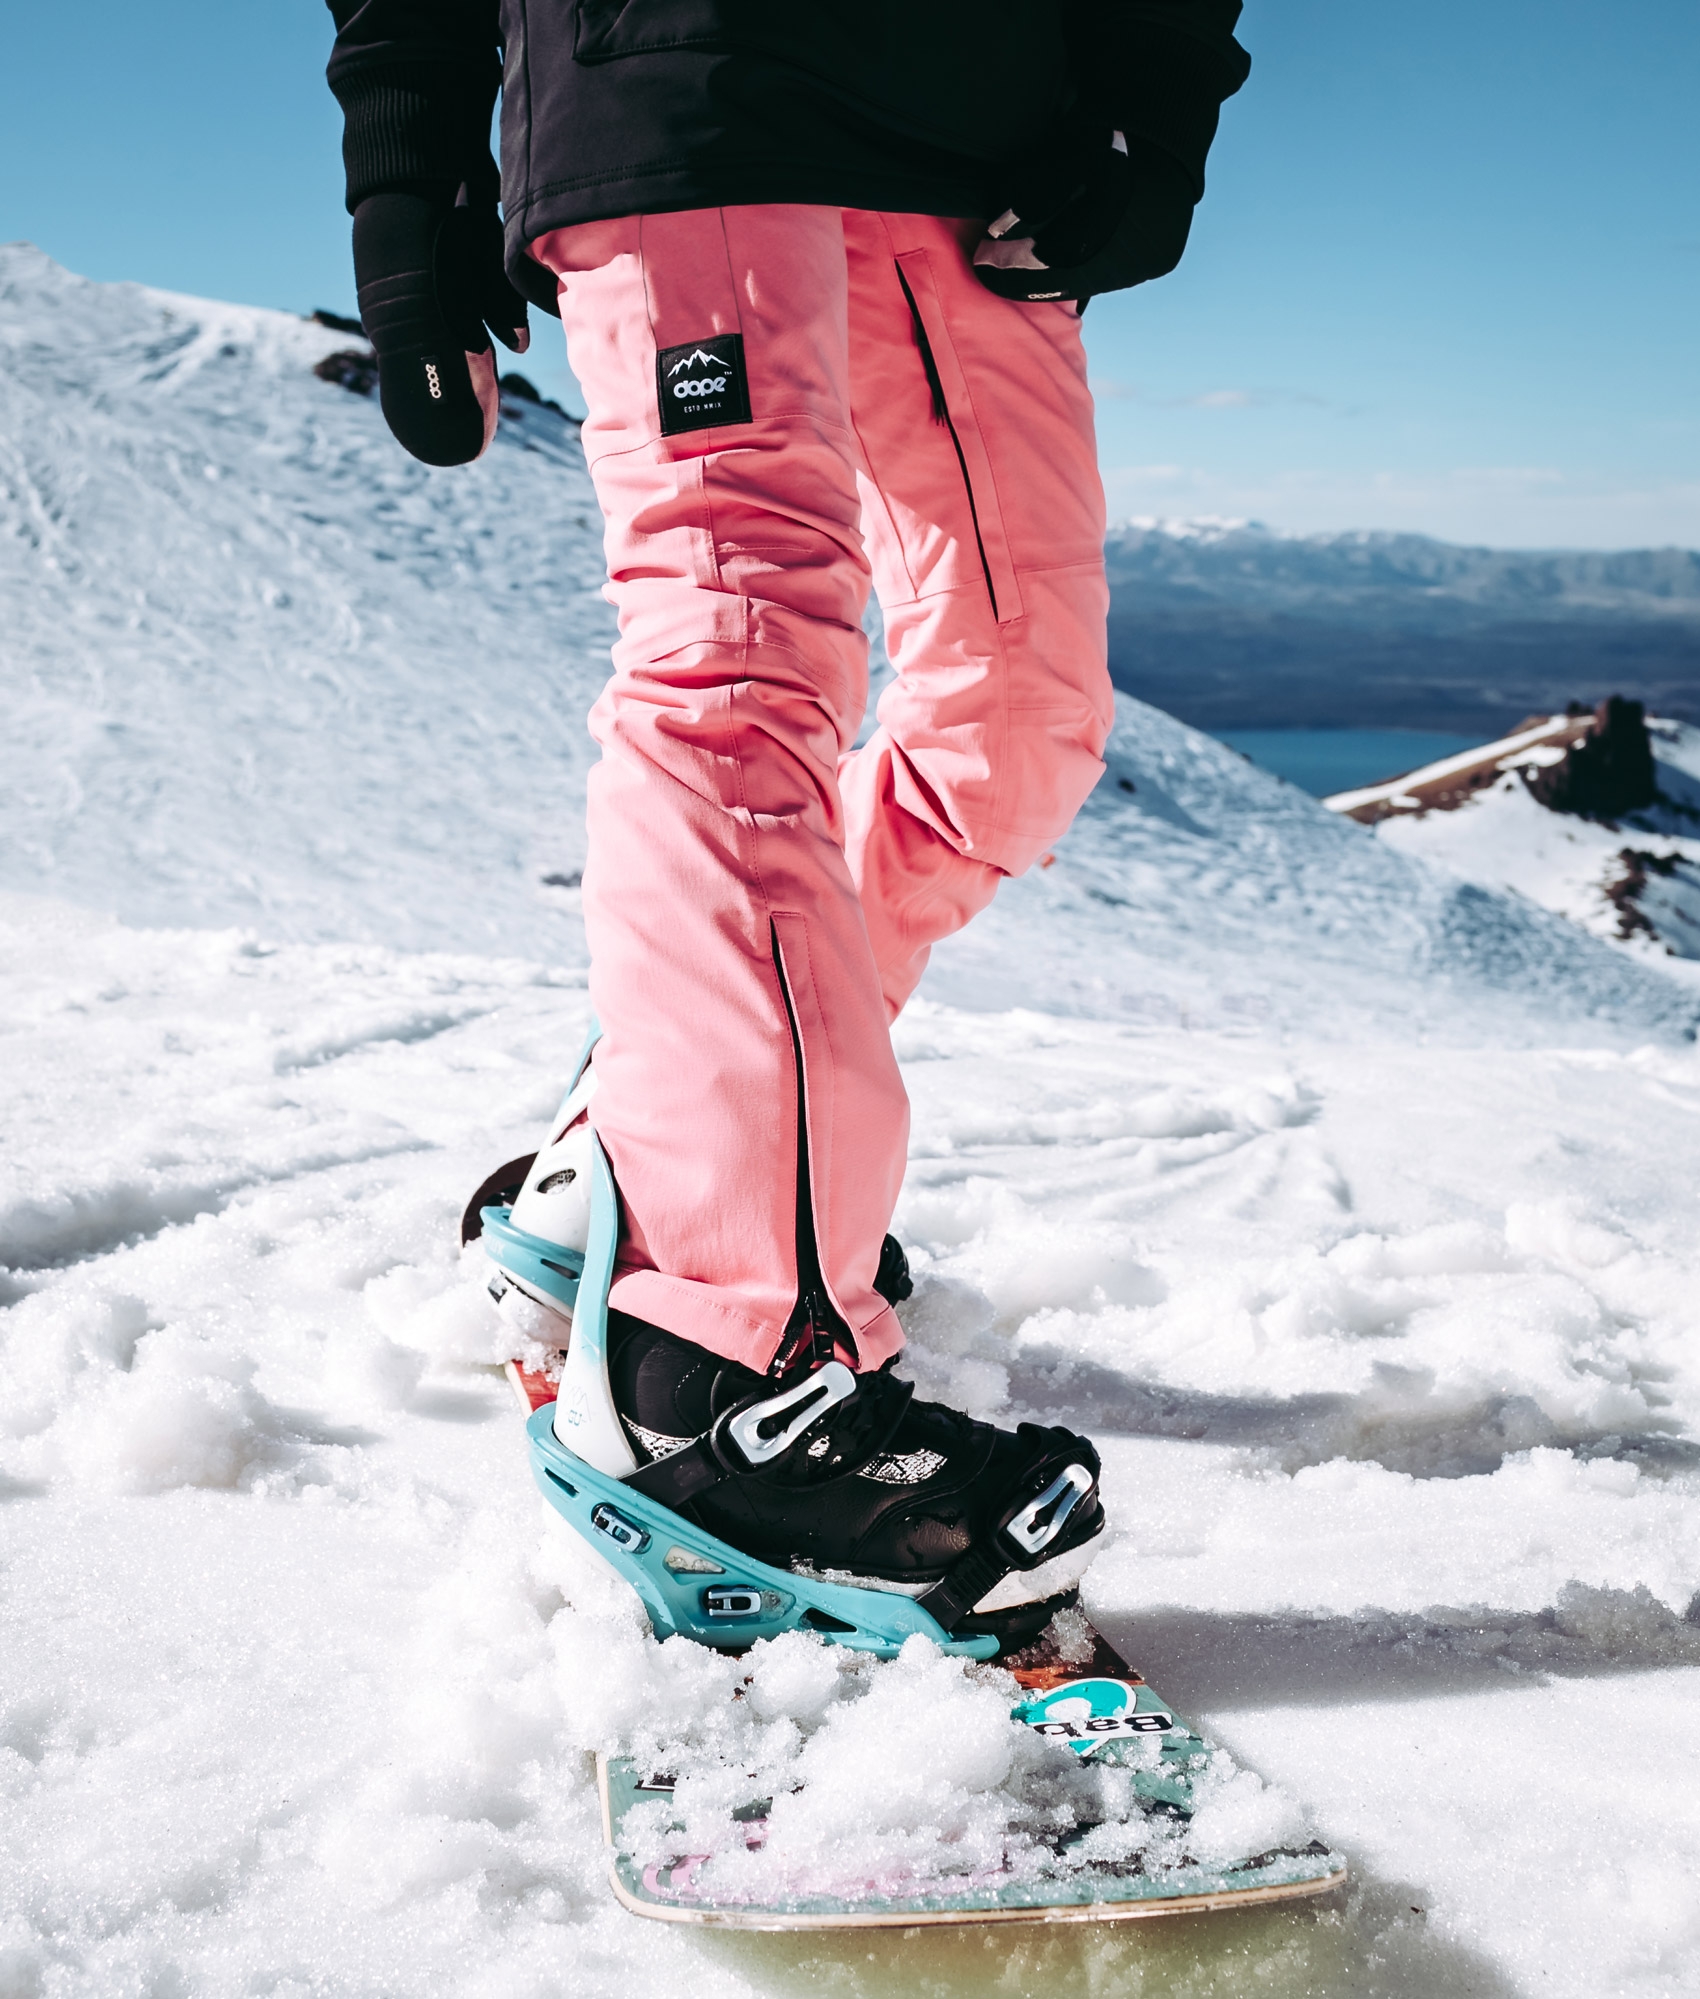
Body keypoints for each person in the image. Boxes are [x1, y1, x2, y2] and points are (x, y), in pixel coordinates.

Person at [325, 0, 1249, 1651]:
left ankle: (658, 1136)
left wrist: (1155, 103)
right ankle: (725, 1369)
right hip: (685, 85)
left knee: (1019, 721)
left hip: (985, 147)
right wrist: (409, 177)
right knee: (741, 667)